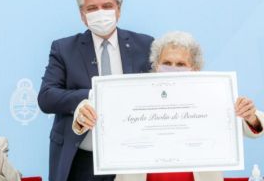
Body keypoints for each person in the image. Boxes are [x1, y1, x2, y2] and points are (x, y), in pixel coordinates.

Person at [37, 0, 154, 181]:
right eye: (92, 8)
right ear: (83, 15)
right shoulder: (64, 49)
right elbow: (46, 97)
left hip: (133, 159)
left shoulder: (145, 45)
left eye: (107, 6)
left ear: (119, 9)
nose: (101, 13)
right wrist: (91, 96)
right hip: (82, 160)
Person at [113, 31, 264, 181]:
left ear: (194, 68)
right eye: (166, 63)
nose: (172, 68)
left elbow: (257, 126)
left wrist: (250, 116)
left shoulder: (213, 95)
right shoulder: (135, 95)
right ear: (156, 65)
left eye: (180, 64)